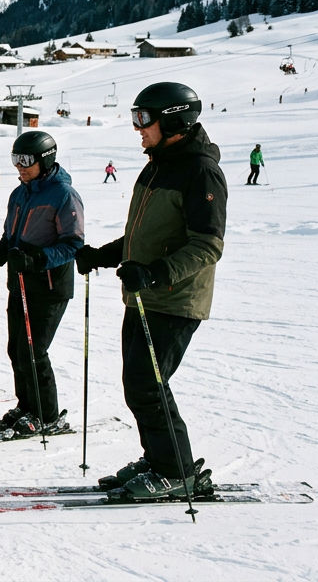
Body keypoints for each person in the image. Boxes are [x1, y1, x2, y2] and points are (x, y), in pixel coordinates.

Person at [74, 82, 225, 500]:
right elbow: (143, 235)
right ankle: (159, 457)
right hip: (147, 294)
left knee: (148, 383)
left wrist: (156, 273)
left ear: (174, 119)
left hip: (176, 298)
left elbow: (208, 244)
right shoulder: (157, 163)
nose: (138, 128)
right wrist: (104, 255)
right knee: (138, 383)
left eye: (145, 119)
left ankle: (176, 471)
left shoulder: (200, 170)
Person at [0, 132, 85, 436]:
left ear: (45, 159)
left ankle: (47, 415)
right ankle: (27, 407)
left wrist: (36, 259)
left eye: (25, 160)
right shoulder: (19, 193)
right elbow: (11, 238)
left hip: (49, 286)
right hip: (20, 283)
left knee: (35, 351)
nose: (19, 167)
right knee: (17, 350)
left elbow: (73, 244)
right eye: (15, 160)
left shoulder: (64, 194)